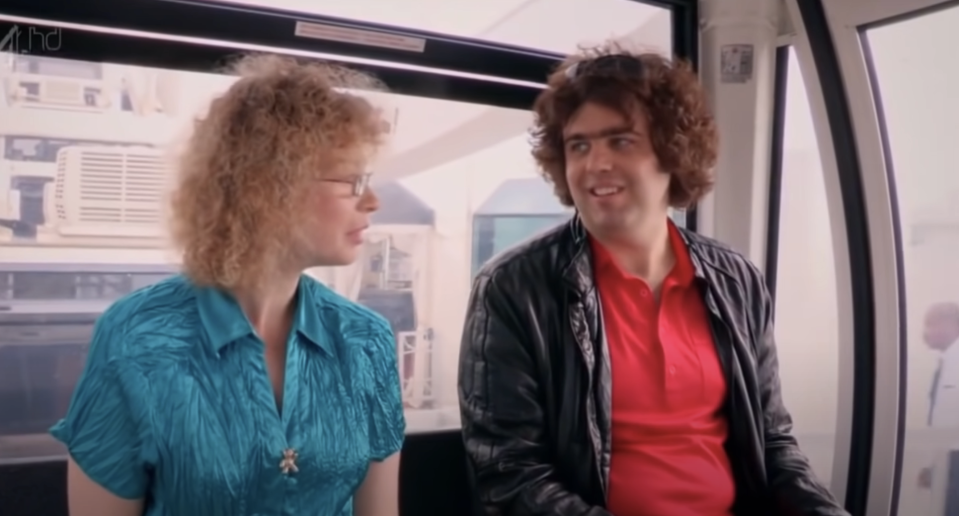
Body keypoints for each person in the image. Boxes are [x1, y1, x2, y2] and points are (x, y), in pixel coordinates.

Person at [458, 44, 848, 516]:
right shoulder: (513, 287)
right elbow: (510, 477)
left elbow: (774, 443)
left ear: (673, 152)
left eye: (620, 141)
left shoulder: (736, 280)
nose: (595, 163)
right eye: (578, 145)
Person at [51, 54, 405, 516]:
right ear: (271, 186)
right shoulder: (137, 338)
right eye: (354, 181)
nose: (374, 201)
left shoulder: (367, 341)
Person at [917, 302, 959, 516]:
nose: (926, 332)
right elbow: (942, 418)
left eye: (931, 324)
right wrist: (933, 465)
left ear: (951, 325)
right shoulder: (946, 363)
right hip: (947, 459)